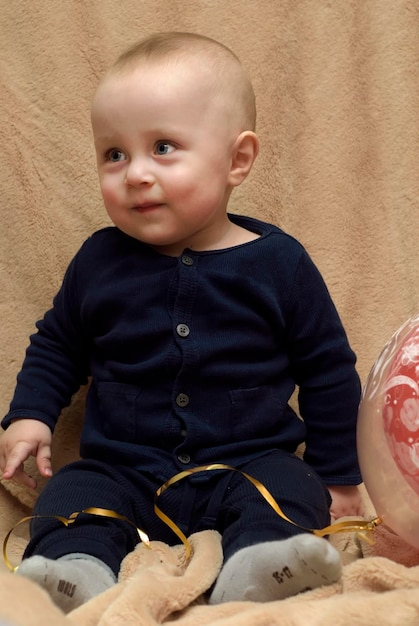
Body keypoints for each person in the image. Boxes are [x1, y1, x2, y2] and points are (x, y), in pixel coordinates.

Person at [0, 31, 363, 613]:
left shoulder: (280, 264)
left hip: (249, 464)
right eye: (114, 154)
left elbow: (327, 371)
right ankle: (74, 574)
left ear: (237, 160)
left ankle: (259, 569)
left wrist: (340, 476)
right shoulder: (99, 261)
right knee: (71, 492)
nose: (135, 173)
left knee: (291, 489)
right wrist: (31, 416)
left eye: (163, 147)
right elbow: (57, 344)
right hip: (124, 469)